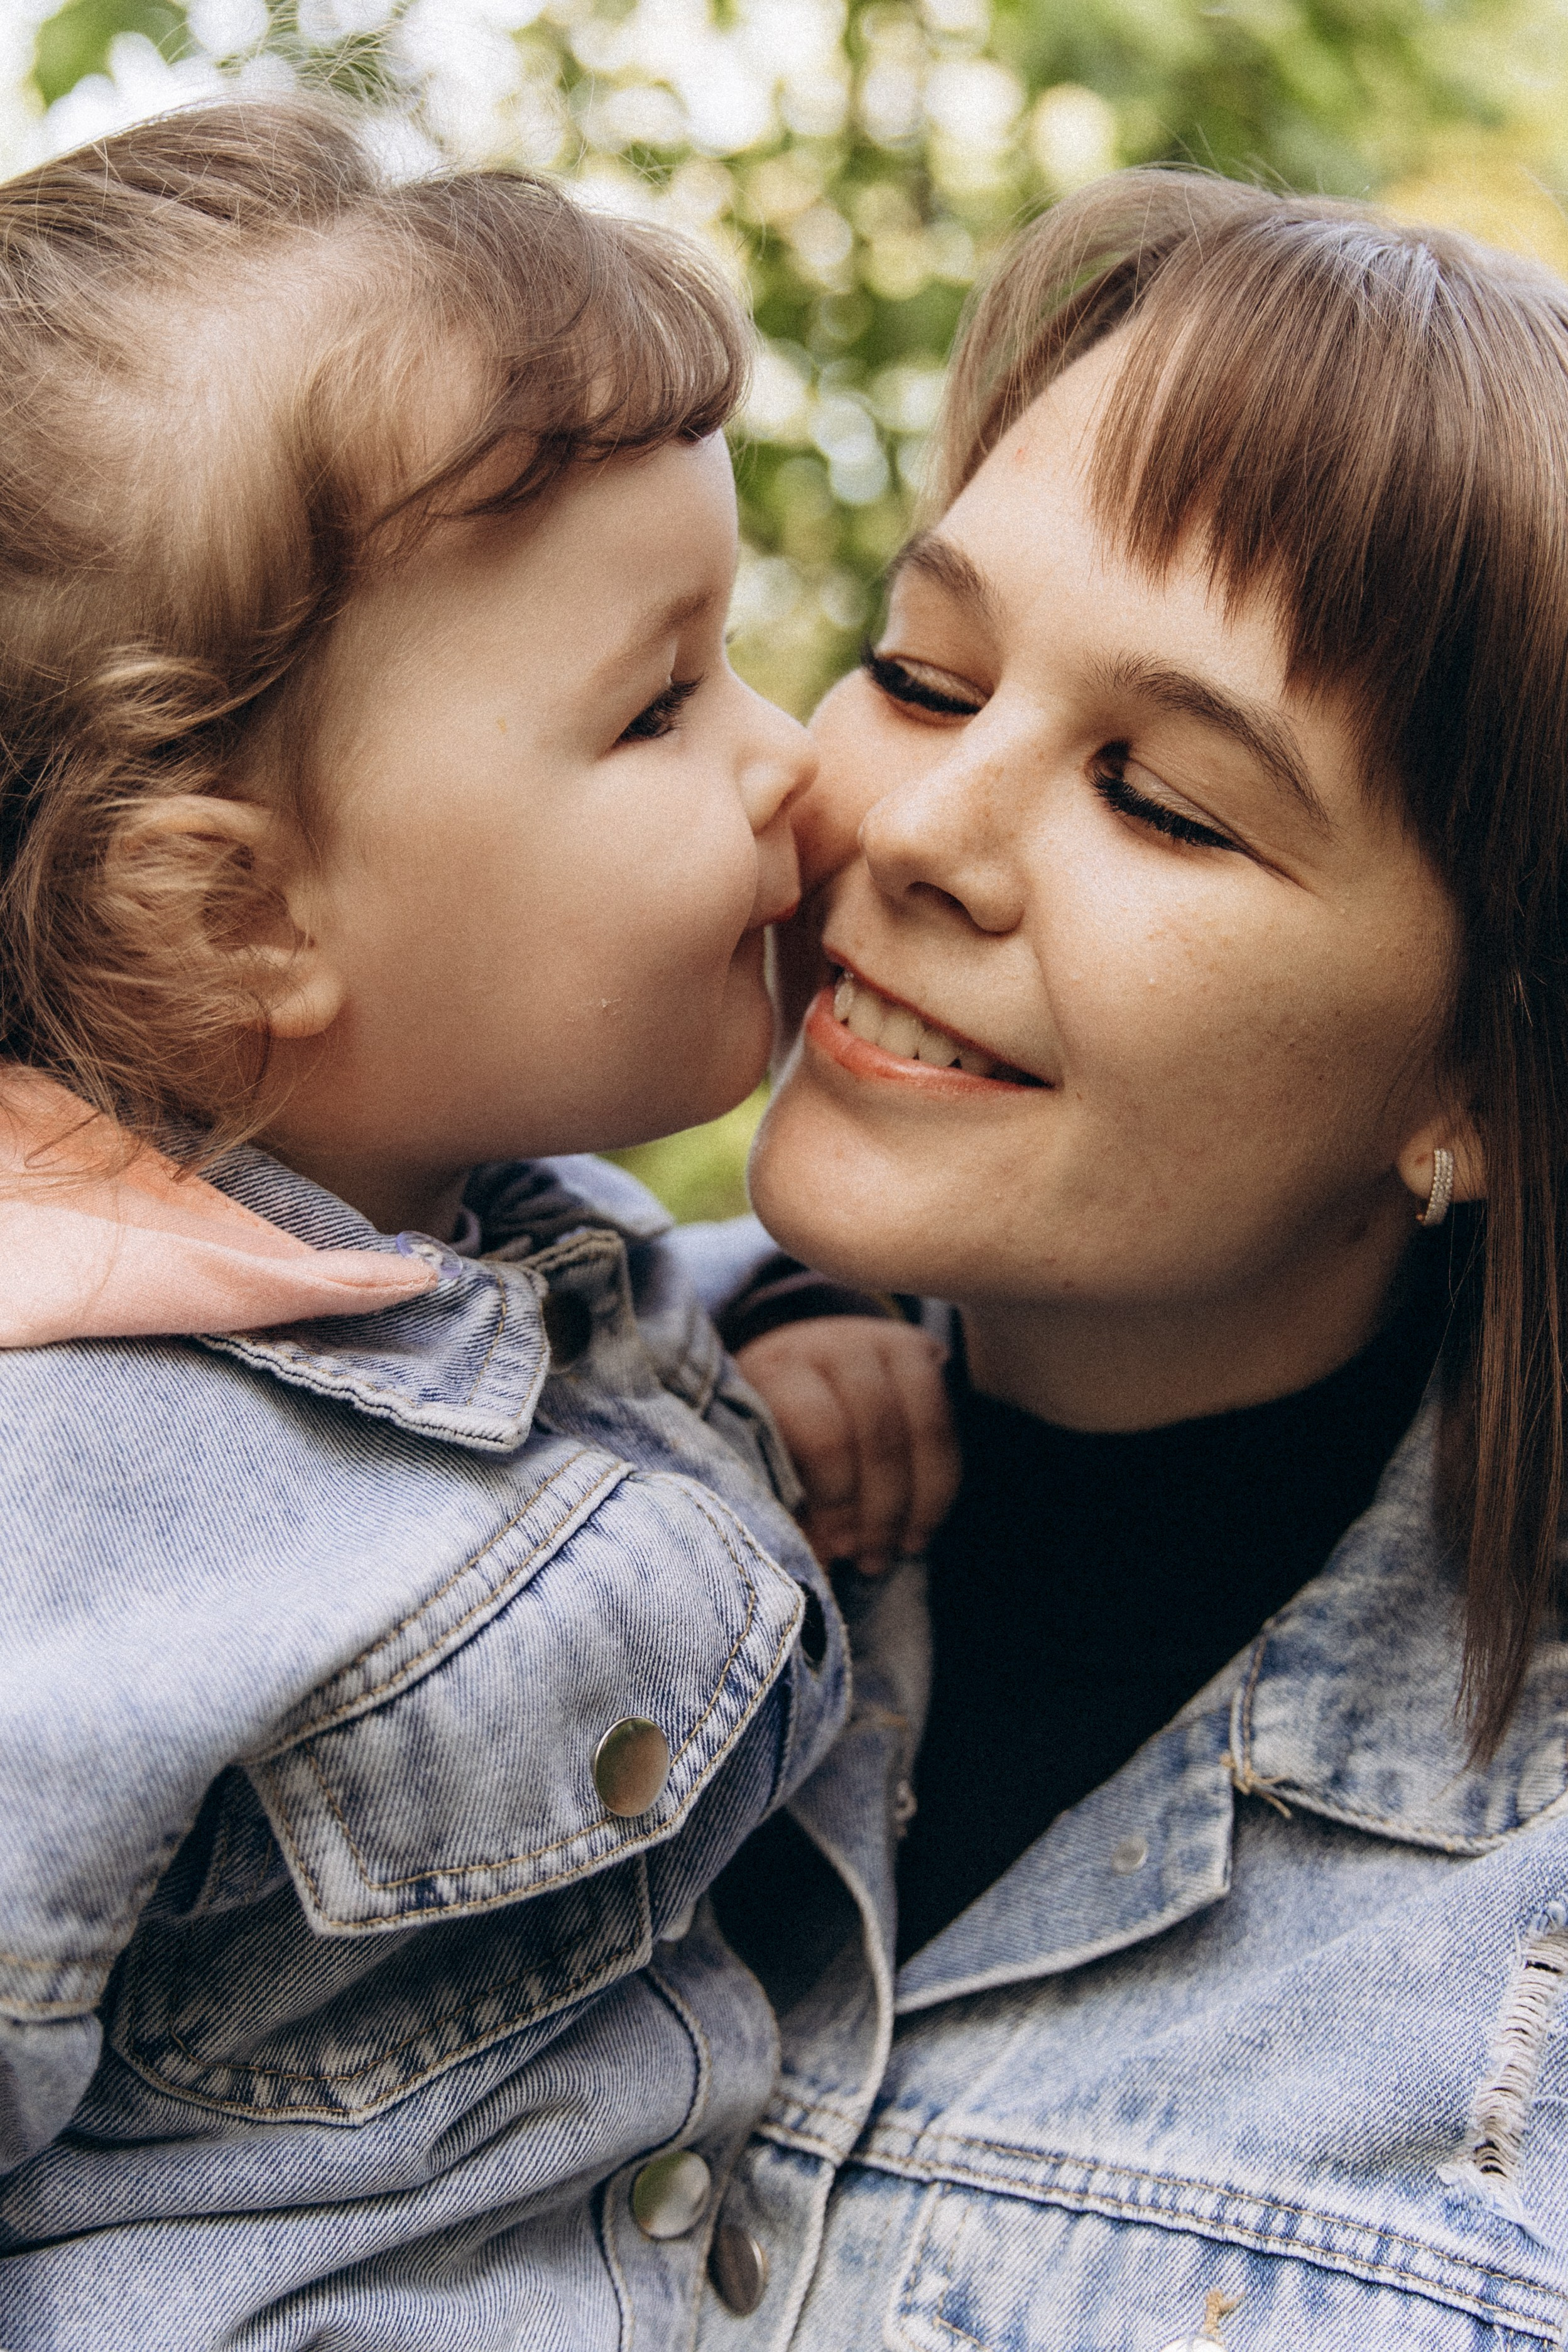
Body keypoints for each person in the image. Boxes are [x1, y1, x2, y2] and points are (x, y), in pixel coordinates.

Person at [0, 101, 954, 2348]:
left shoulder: (482, 1235)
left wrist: (759, 1375)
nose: (787, 763)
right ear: (238, 913)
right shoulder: (77, 1485)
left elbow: (498, 1396)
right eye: (653, 705)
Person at [696, 172, 1568, 2347]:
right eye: (922, 669)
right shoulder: (485, 1427)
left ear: (1473, 1069)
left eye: (1164, 800)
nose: (911, 830)